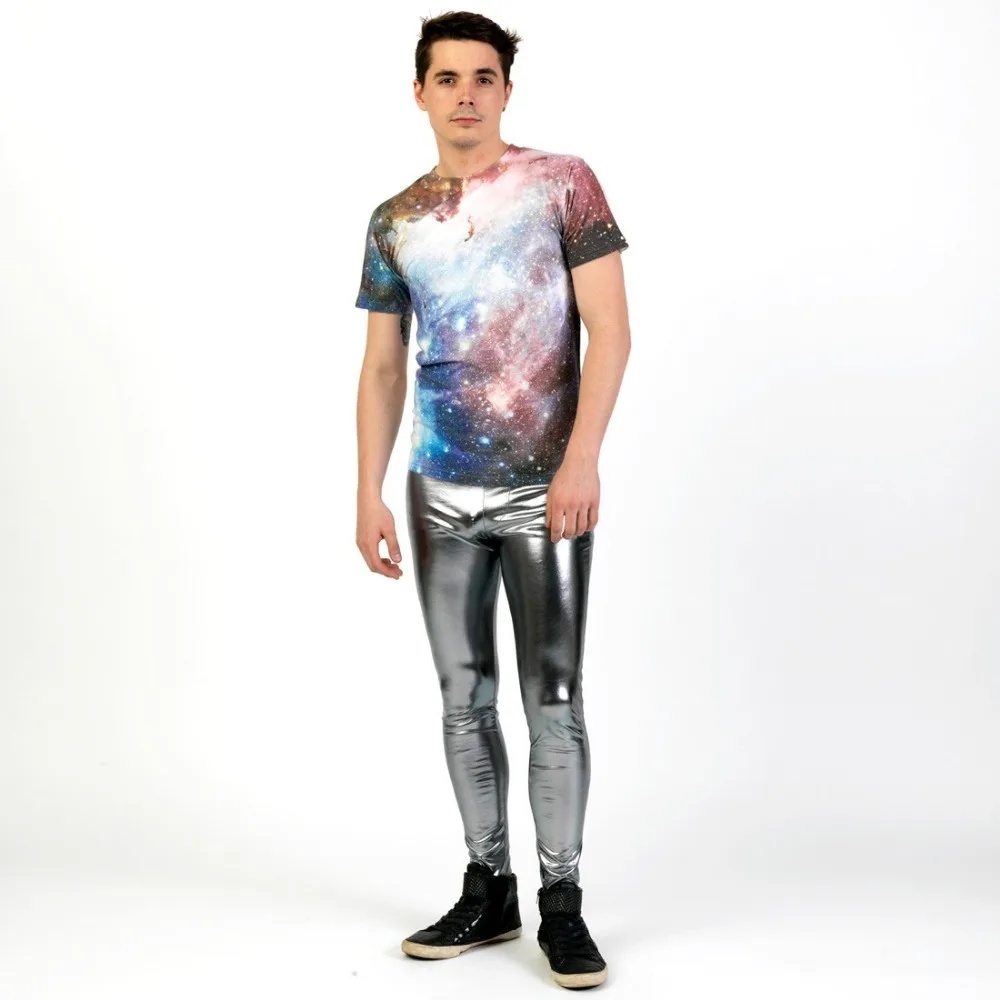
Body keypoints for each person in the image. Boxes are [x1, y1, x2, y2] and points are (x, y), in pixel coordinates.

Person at [354, 10, 630, 990]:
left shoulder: (561, 182)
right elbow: (383, 366)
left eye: (483, 77)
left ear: (506, 91)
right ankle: (489, 885)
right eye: (448, 77)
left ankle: (562, 900)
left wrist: (581, 459)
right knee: (461, 696)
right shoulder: (395, 218)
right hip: (438, 490)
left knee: (552, 696)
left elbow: (609, 330)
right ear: (419, 93)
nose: (466, 93)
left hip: (543, 484)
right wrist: (368, 491)